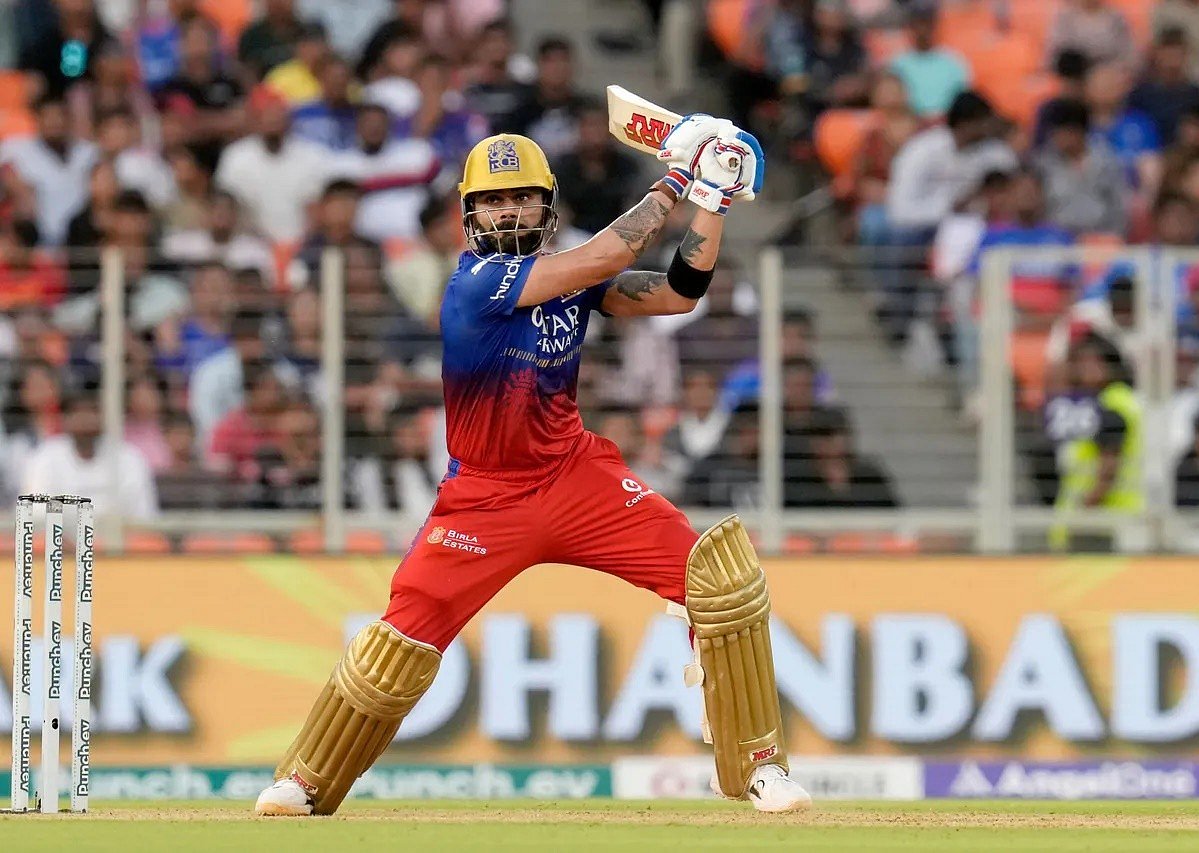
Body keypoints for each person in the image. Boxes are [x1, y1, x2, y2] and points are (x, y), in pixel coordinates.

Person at [255, 122, 811, 816]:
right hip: (484, 498)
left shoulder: (571, 282)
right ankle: (305, 782)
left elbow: (677, 293)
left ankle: (759, 768)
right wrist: (677, 178)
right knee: (399, 638)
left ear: (546, 206)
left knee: (719, 581)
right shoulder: (476, 283)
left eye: (522, 198)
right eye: (493, 201)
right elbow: (607, 252)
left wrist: (713, 199)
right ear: (469, 215)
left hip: (576, 478)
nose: (509, 211)